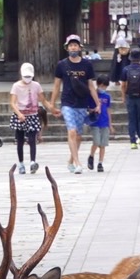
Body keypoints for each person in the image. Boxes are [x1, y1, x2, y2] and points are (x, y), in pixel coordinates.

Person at [49, 34, 101, 174]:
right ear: (67, 48)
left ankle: (71, 160)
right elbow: (56, 86)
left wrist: (98, 103)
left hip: (82, 102)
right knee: (71, 131)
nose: (73, 47)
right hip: (67, 102)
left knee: (78, 135)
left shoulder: (87, 64)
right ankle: (78, 163)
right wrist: (52, 104)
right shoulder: (62, 65)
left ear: (79, 47)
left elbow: (91, 86)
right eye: (71, 45)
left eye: (75, 45)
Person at [10, 63, 44, 174]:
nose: (27, 79)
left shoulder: (36, 85)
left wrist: (51, 107)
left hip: (33, 115)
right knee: (20, 140)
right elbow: (12, 102)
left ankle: (33, 162)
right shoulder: (16, 86)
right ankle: (21, 163)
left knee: (32, 139)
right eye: (26, 76)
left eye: (29, 76)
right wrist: (19, 113)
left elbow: (43, 99)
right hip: (20, 115)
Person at [120, 49, 140, 148]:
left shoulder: (125, 69)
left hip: (130, 97)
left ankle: (133, 142)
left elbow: (123, 85)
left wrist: (123, 96)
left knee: (132, 119)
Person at [90, 78, 113, 172]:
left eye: (105, 86)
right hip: (95, 122)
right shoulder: (93, 95)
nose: (103, 88)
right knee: (96, 141)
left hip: (104, 122)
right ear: (98, 84)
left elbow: (108, 110)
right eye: (102, 86)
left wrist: (110, 124)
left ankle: (100, 162)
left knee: (103, 144)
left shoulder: (107, 96)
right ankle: (91, 156)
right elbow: (89, 108)